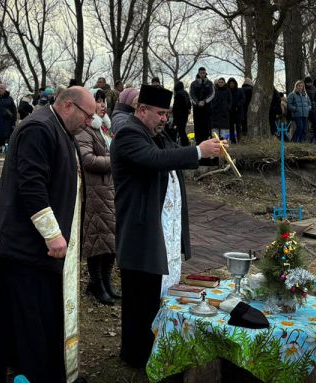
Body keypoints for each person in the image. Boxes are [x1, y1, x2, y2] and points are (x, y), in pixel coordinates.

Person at [0, 86, 96, 383]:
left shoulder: (59, 128)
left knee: (39, 313)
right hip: (24, 245)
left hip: (34, 246)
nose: (90, 122)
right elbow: (31, 185)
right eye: (88, 115)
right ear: (68, 105)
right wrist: (53, 234)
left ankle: (41, 368)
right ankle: (33, 372)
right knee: (29, 316)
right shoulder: (39, 128)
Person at [110, 84, 226, 368]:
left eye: (167, 114)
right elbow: (155, 160)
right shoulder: (128, 134)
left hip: (162, 232)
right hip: (140, 233)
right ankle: (137, 356)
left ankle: (157, 348)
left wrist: (209, 153)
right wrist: (199, 151)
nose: (165, 119)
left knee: (158, 296)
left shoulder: (156, 136)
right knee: (141, 299)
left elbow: (176, 153)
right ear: (142, 110)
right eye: (160, 113)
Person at [75, 88, 119, 306]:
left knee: (111, 238)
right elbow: (88, 160)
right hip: (96, 192)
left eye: (104, 101)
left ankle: (107, 282)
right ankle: (96, 283)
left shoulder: (105, 129)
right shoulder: (86, 130)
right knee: (97, 239)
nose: (103, 105)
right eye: (98, 101)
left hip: (110, 190)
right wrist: (115, 161)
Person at [189, 67, 215, 145]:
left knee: (206, 124)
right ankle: (198, 141)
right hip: (197, 108)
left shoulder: (209, 83)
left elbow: (212, 94)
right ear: (198, 73)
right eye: (201, 73)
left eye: (203, 73)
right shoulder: (193, 83)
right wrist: (197, 102)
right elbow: (191, 94)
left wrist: (205, 101)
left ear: (205, 73)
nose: (202, 74)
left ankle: (207, 139)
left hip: (207, 107)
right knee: (197, 124)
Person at [172, 81, 191, 146]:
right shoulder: (186, 93)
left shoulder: (178, 94)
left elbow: (175, 107)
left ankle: (184, 144)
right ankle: (185, 144)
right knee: (182, 130)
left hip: (179, 115)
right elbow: (189, 104)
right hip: (185, 115)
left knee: (180, 131)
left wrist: (174, 118)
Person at [227, 77, 245, 143]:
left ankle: (239, 139)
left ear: (235, 83)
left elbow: (243, 99)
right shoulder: (227, 91)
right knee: (231, 127)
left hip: (238, 111)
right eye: (230, 83)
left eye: (233, 83)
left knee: (238, 126)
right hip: (230, 111)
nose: (232, 84)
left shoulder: (240, 90)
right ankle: (232, 140)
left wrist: (238, 105)